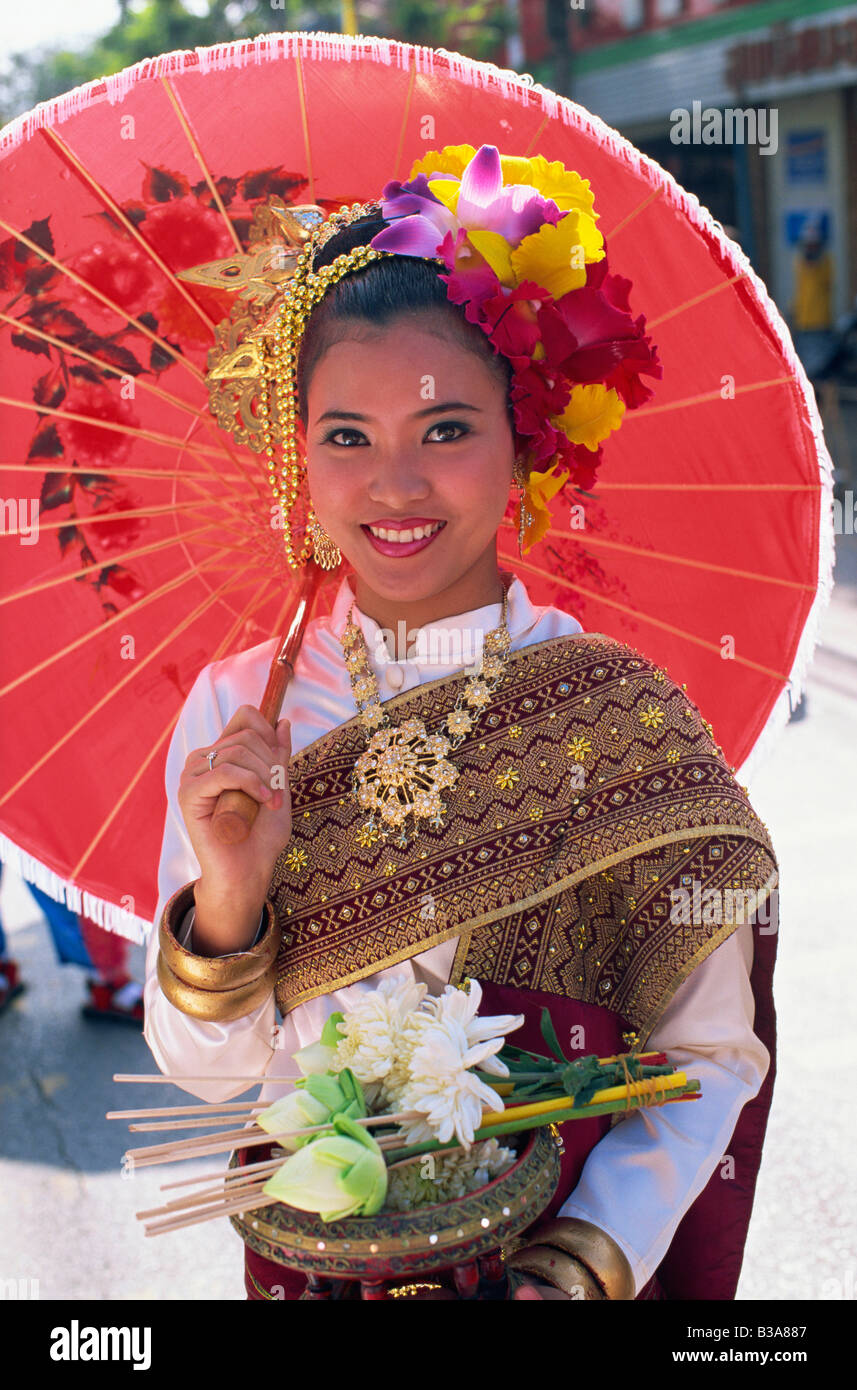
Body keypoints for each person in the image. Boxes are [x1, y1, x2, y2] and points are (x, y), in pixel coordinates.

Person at [144, 146, 778, 1301]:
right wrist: (230, 903)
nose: (392, 483)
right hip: (316, 1269)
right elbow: (200, 1076)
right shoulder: (243, 713)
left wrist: (577, 1267)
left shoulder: (617, 711)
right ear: (299, 457)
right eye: (346, 436)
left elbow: (708, 1057)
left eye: (443, 431)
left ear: (525, 441)